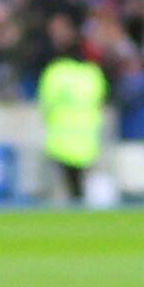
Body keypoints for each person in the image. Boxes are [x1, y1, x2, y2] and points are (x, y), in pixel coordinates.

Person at [36, 22, 108, 202]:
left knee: (63, 188)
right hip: (87, 139)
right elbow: (100, 101)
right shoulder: (92, 73)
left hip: (60, 139)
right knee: (81, 186)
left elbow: (46, 102)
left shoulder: (55, 72)